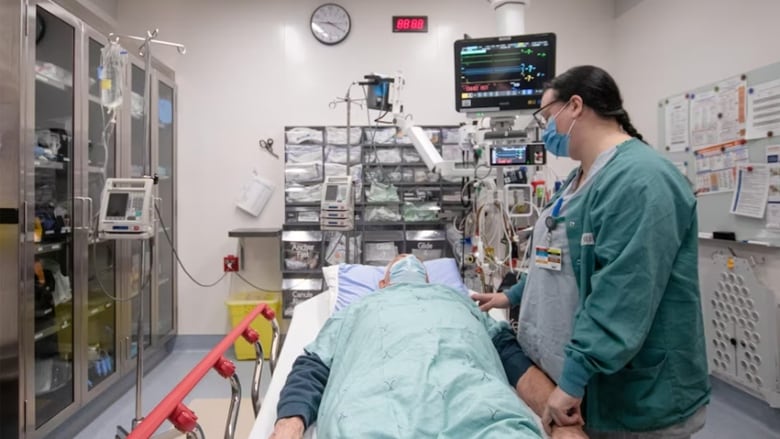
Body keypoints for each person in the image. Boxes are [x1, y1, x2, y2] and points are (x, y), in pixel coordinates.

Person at [474, 65, 710, 438]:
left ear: (575, 106)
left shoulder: (641, 180)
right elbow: (560, 264)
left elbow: (623, 295)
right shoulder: (578, 179)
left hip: (632, 397)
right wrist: (511, 295)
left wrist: (571, 381)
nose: (545, 128)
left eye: (546, 116)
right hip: (578, 381)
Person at [269, 254, 587, 439]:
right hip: (372, 405)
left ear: (431, 282)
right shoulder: (359, 308)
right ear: (382, 284)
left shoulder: (459, 302)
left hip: (474, 401)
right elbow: (313, 364)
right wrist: (290, 421)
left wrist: (560, 420)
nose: (408, 268)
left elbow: (509, 355)